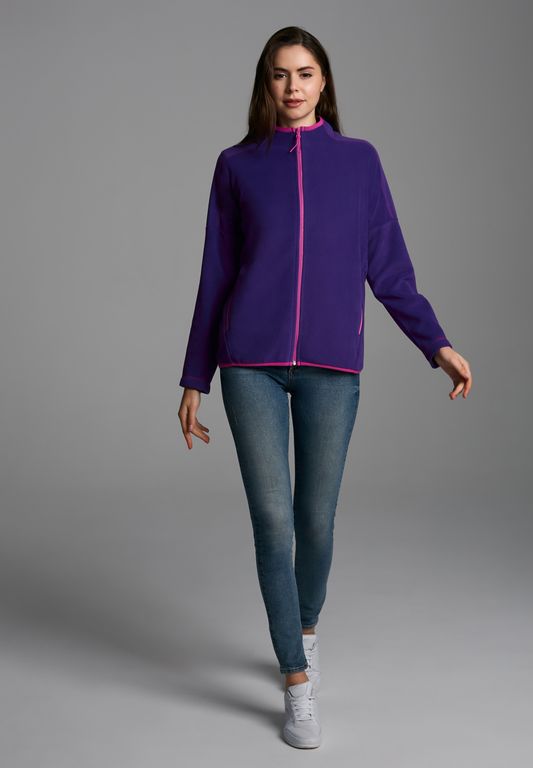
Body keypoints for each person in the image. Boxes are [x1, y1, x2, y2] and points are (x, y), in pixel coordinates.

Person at [177, 26, 472, 749]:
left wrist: (436, 344)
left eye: (305, 72)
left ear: (324, 81)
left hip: (333, 366)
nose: (293, 86)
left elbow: (389, 268)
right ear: (266, 84)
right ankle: (296, 681)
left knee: (315, 521)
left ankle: (305, 629)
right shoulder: (237, 166)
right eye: (280, 74)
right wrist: (194, 376)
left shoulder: (359, 162)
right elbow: (216, 275)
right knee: (271, 520)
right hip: (249, 362)